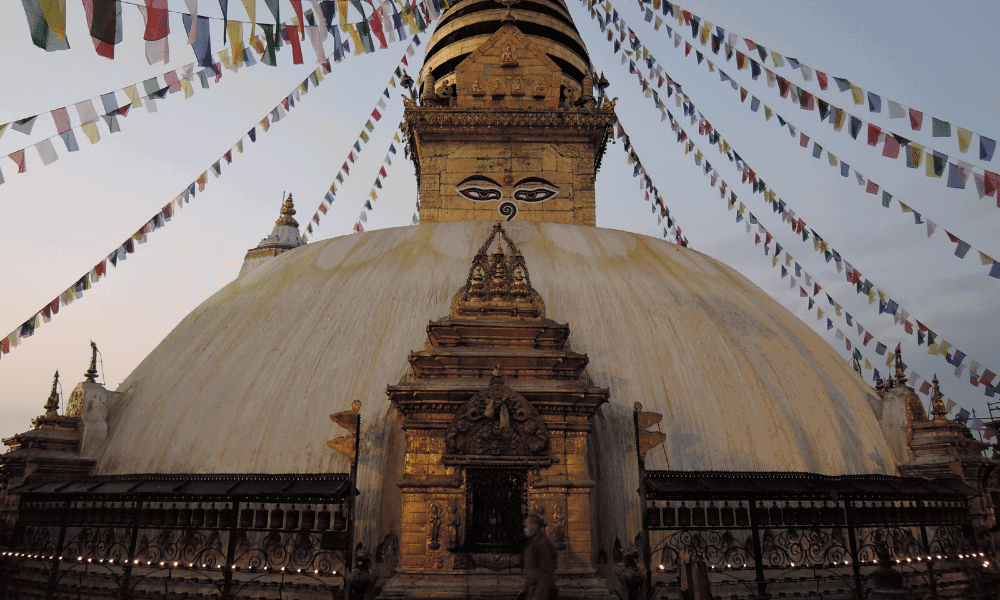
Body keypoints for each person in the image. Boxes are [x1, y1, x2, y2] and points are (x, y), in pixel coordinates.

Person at [519, 513, 558, 600]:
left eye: (527, 526)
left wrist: (538, 596)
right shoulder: (533, 543)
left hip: (539, 593)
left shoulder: (543, 544)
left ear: (535, 526)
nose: (525, 529)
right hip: (533, 592)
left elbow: (545, 574)